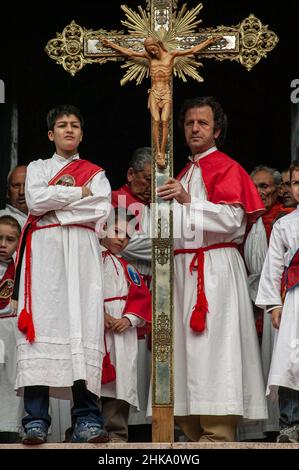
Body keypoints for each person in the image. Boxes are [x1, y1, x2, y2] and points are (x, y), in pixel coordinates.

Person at [157, 96, 267, 442]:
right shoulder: (183, 172)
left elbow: (233, 220)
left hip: (215, 267)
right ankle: (190, 431)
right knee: (186, 352)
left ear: (216, 130)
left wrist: (188, 200)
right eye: (189, 123)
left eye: (202, 123)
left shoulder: (227, 167)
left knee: (216, 348)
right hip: (182, 269)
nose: (194, 128)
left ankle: (218, 432)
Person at [15, 104, 111, 444]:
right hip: (46, 258)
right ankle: (35, 421)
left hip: (82, 257)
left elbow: (101, 206)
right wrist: (76, 194)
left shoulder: (96, 173)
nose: (68, 130)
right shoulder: (39, 168)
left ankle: (87, 420)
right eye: (61, 125)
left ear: (82, 134)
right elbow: (35, 200)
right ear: (50, 134)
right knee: (41, 331)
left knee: (81, 330)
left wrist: (60, 205)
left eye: (74, 125)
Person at [100, 36, 219, 169]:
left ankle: (162, 152)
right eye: (149, 50)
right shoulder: (149, 57)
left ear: (158, 45)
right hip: (154, 93)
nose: (152, 52)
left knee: (164, 121)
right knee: (156, 121)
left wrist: (208, 42)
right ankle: (159, 153)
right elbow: (130, 53)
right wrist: (111, 44)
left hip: (166, 93)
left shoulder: (171, 55)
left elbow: (192, 50)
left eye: (153, 49)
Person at [256, 158, 299, 443]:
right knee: (290, 362)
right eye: (295, 182)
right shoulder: (285, 224)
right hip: (295, 299)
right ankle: (291, 424)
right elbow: (273, 267)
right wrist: (274, 304)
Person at [100, 209, 151, 442]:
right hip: (96, 329)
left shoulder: (127, 266)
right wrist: (99, 314)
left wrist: (128, 319)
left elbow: (141, 297)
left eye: (127, 235)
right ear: (102, 227)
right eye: (117, 231)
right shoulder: (88, 259)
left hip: (121, 332)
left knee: (120, 382)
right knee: (91, 380)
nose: (121, 239)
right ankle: (87, 429)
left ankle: (116, 434)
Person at [112, 147, 152, 438]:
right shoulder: (116, 201)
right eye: (148, 179)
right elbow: (126, 244)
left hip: (156, 292)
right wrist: (170, 245)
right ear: (130, 174)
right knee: (124, 366)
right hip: (123, 291)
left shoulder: (161, 204)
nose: (153, 187)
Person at [0, 215, 24, 443]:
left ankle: (12, 432)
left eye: (10, 239)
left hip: (11, 334)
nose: (3, 244)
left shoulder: (21, 270)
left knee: (11, 386)